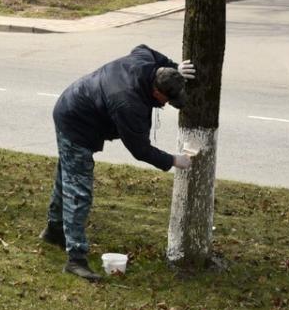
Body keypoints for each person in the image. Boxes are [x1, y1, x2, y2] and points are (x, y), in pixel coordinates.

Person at [44, 45, 196, 282]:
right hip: (76, 123)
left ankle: (54, 230)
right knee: (79, 192)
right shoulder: (128, 103)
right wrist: (174, 160)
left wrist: (175, 66)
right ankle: (76, 259)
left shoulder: (145, 62)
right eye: (168, 99)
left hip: (73, 103)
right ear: (157, 93)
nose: (168, 104)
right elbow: (140, 150)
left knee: (68, 174)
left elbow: (144, 48)